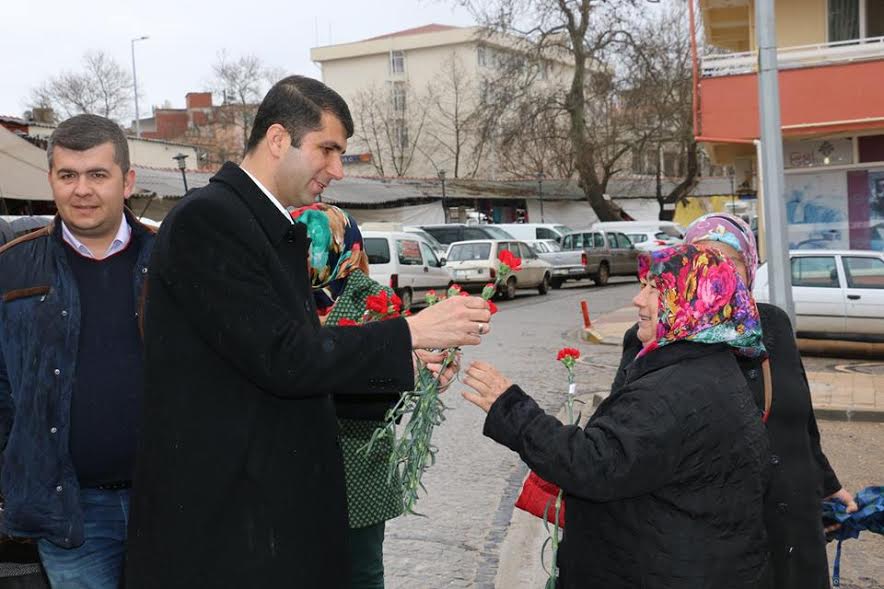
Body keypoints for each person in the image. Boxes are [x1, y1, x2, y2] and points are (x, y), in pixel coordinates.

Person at [125, 76, 490, 589]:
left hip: (263, 521)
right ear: (279, 139)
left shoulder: (264, 225)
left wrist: (403, 367)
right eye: (328, 149)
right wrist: (407, 331)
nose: (337, 170)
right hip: (231, 528)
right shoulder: (210, 220)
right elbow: (284, 358)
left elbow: (286, 372)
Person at [463, 243, 771, 588]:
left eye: (656, 288)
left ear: (691, 302)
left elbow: (594, 464)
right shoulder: (709, 365)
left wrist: (512, 409)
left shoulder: (671, 389)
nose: (639, 300)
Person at [613, 212, 855, 589]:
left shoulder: (773, 323)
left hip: (793, 517)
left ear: (750, 269)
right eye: (704, 259)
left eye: (730, 260)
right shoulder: (653, 334)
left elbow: (801, 419)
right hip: (717, 533)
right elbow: (624, 435)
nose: (718, 271)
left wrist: (827, 484)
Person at [0, 114, 155, 588]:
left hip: (170, 501)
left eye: (98, 175)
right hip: (71, 515)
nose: (81, 189)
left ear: (127, 181)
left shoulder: (172, 260)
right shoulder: (12, 269)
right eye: (68, 175)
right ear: (51, 181)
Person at [292, 202, 456, 589]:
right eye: (302, 241)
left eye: (319, 243)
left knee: (361, 572)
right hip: (293, 470)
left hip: (359, 467)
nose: (310, 253)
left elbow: (397, 386)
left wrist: (428, 371)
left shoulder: (373, 301)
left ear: (345, 247)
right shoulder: (280, 300)